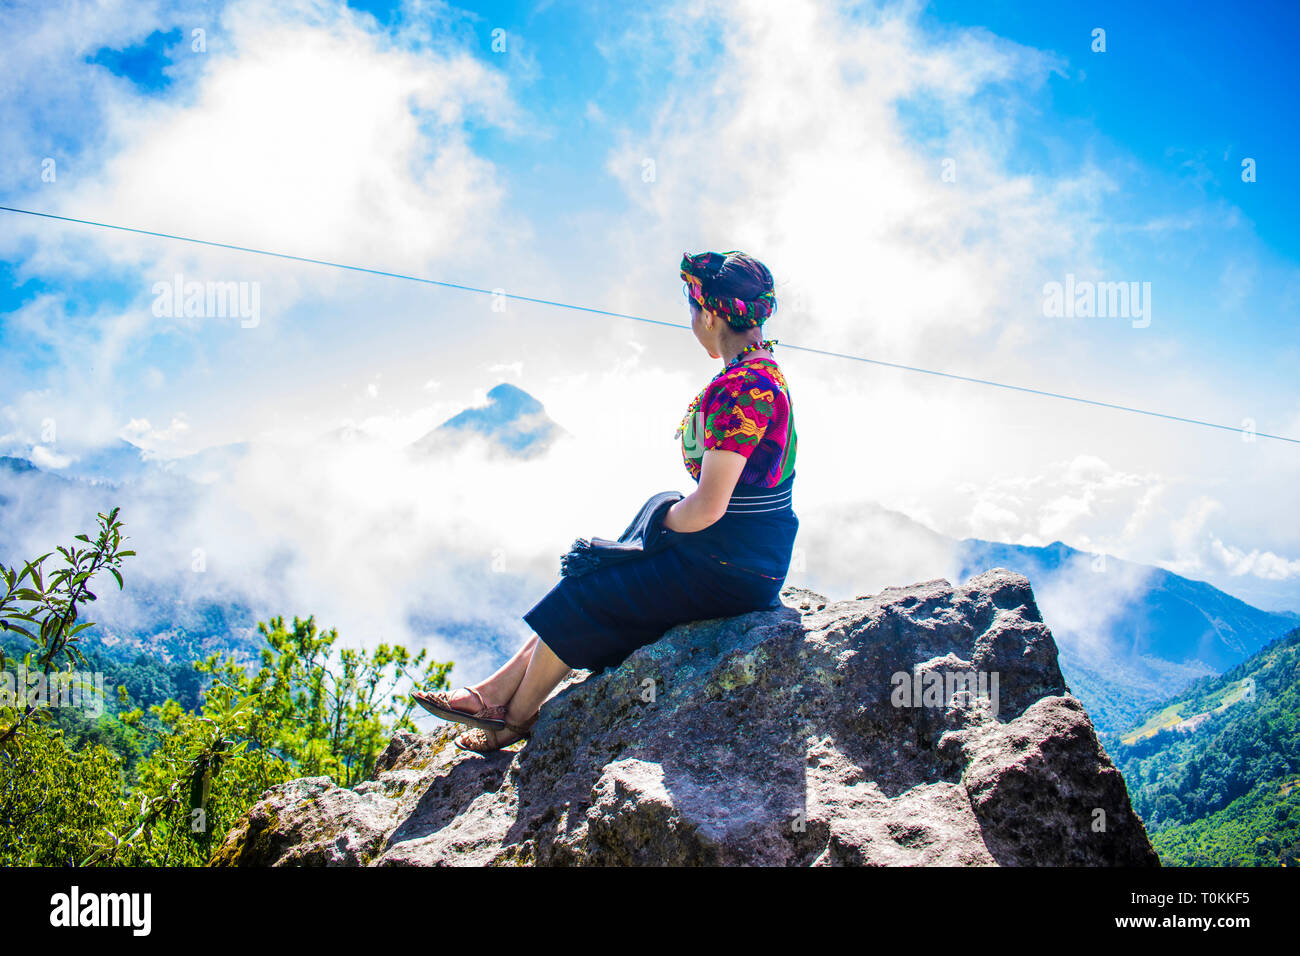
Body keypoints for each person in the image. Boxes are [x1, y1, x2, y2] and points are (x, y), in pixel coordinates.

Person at [414, 249, 799, 753]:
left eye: (691, 311)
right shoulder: (760, 371)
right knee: (594, 574)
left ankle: (512, 721)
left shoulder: (742, 386)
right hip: (747, 554)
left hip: (732, 565)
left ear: (708, 313)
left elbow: (708, 507)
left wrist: (658, 526)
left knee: (591, 592)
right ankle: (493, 694)